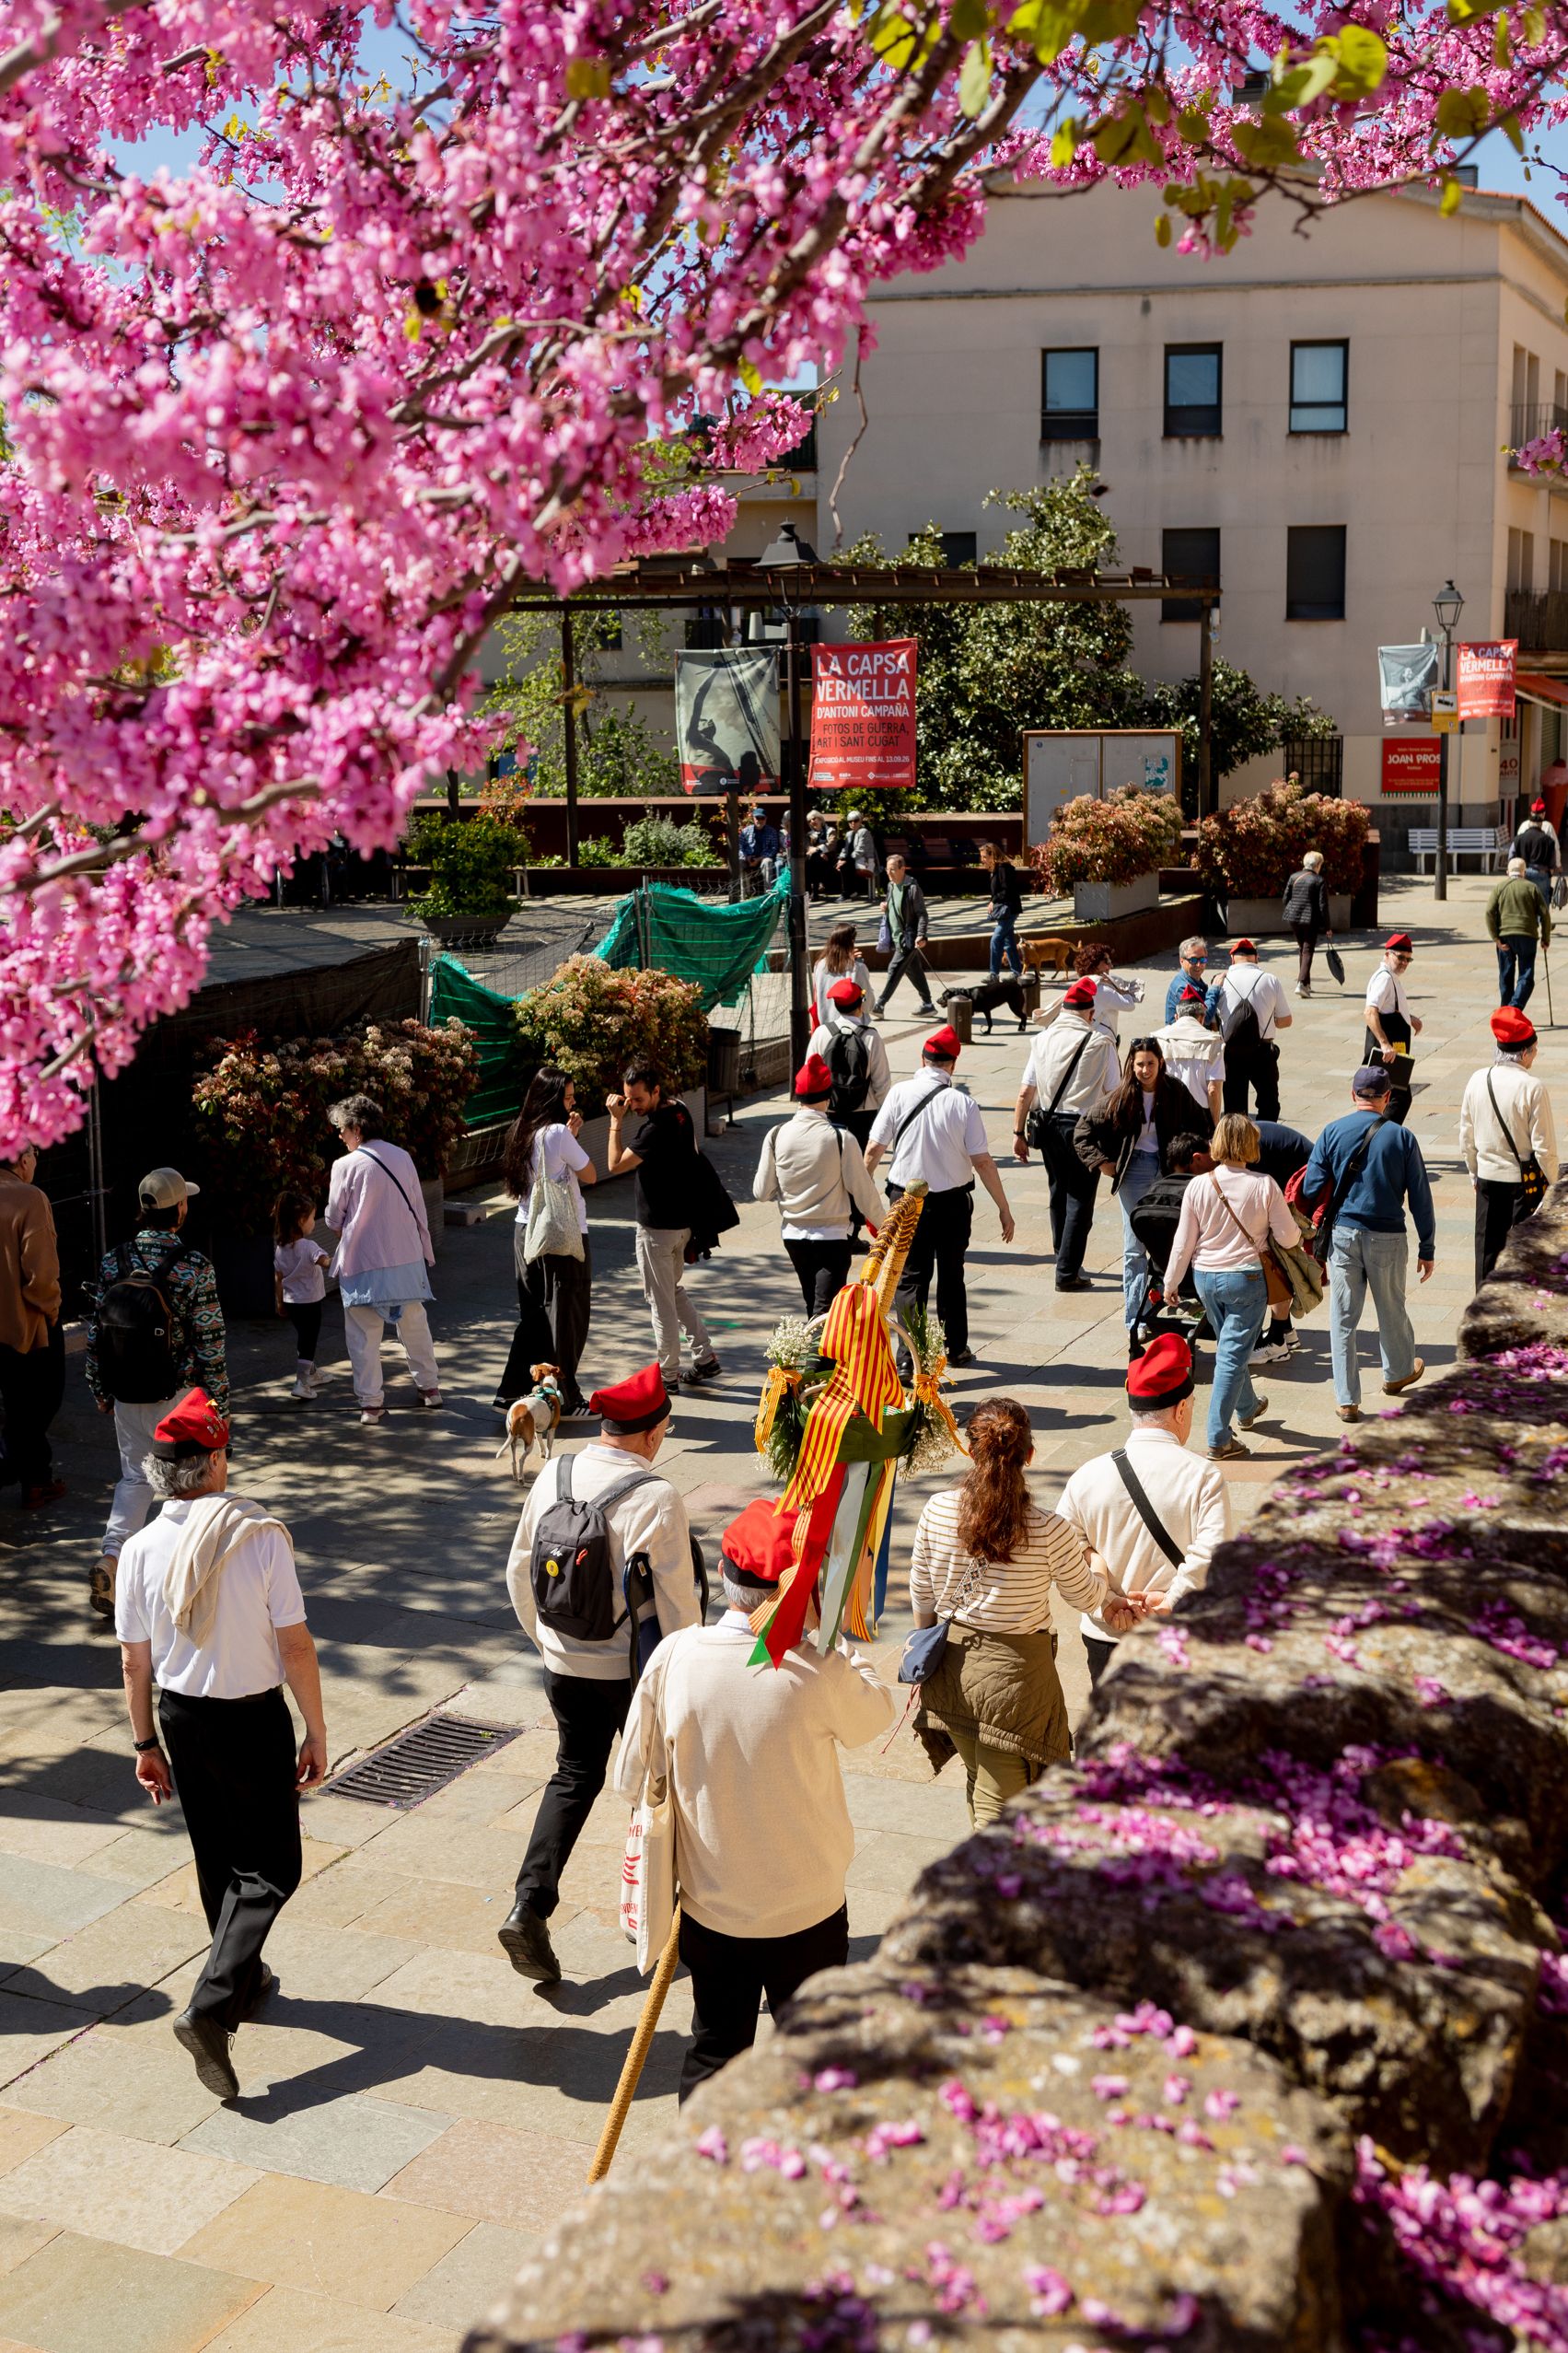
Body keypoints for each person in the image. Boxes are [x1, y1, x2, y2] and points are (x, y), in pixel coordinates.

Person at [615, 1497, 895, 2100]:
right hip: (808, 1905)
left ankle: (705, 2172)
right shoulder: (816, 1665)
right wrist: (837, 1643)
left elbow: (630, 1772)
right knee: (810, 2057)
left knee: (715, 2049)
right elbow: (875, 1716)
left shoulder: (675, 1656)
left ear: (722, 1575)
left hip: (713, 1904)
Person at [114, 1388, 327, 2099]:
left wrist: (145, 1739)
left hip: (180, 1715)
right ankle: (209, 2008)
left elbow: (131, 1660)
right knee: (273, 1867)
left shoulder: (139, 1547)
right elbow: (295, 1645)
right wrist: (315, 1726)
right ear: (212, 1463)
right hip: (249, 1716)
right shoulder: (257, 1534)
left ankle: (241, 1977)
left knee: (217, 1854)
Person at [501, 1364, 702, 1985]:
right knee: (665, 1790)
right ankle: (673, 1922)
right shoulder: (655, 1497)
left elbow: (518, 1571)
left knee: (573, 1774)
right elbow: (676, 1605)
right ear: (647, 1434)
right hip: (631, 1674)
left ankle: (528, 1905)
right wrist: (684, 1677)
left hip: (564, 1660)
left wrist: (549, 1643)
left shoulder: (555, 1473)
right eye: (664, 1429)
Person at [909, 1398, 1107, 1826]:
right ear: (1029, 1455)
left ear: (970, 1449)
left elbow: (922, 1595)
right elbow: (1087, 1598)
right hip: (1016, 1684)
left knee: (982, 1781)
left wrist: (927, 1652)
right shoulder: (1048, 1528)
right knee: (1000, 1811)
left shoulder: (936, 1509)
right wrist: (1101, 1567)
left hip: (950, 1674)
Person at [86, 1168, 228, 1624]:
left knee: (134, 1478)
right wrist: (219, 1405)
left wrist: (100, 1387)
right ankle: (179, 1579)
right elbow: (210, 1341)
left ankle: (113, 1558)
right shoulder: (194, 1266)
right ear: (179, 1209)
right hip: (180, 1396)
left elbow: (97, 1333)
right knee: (186, 1485)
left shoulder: (114, 1261)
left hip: (128, 1391)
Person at [1053, 1335, 1231, 1687]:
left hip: (1106, 1638)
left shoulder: (1086, 1475)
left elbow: (1062, 1553)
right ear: (1181, 1409)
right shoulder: (1204, 1476)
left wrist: (1106, 1601)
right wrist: (1170, 1602)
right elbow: (1213, 1555)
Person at [865, 1024, 1015, 1370]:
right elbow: (983, 1161)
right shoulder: (963, 1103)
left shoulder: (899, 1093)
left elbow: (874, 1149)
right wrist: (1003, 1208)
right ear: (952, 1064)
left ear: (923, 1058)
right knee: (951, 1274)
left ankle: (907, 1359)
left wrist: (861, 1198)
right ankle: (955, 1347)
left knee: (910, 1278)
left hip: (904, 1201)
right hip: (951, 1203)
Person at [1304, 1065, 1435, 1423]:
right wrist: (1428, 1247)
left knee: (1343, 1318)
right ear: (1387, 1098)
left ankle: (1347, 1400)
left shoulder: (1332, 1132)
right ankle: (1396, 1374)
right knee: (1392, 1308)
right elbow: (1420, 1196)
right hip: (1389, 1236)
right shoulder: (1402, 1137)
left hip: (1344, 1234)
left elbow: (1311, 1188)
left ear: (1353, 1095)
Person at [1163, 1112, 1299, 1460]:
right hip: (1246, 1279)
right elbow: (1287, 1237)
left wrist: (1171, 1281)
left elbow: (1184, 1242)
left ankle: (1248, 1406)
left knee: (1230, 1347)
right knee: (1230, 1355)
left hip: (1205, 1278)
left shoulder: (1198, 1185)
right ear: (1251, 1145)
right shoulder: (1264, 1185)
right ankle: (1218, 1437)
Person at [1073, 1036, 1211, 1347]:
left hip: (1167, 1170)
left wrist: (1195, 1161)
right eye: (1139, 1064)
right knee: (1135, 1245)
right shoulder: (1121, 1096)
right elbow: (1083, 1130)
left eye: (1150, 1063)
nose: (1145, 1070)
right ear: (1130, 1066)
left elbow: (1203, 1125)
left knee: (1176, 1236)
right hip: (1133, 1171)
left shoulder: (1175, 1091)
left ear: (1160, 1062)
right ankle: (1134, 1317)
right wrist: (1102, 1163)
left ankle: (1175, 1302)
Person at [606, 1064, 721, 1392]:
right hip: (681, 1226)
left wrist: (615, 1122)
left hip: (657, 1231)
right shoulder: (681, 1110)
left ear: (656, 1091)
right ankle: (704, 1356)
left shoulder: (654, 1130)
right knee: (670, 1293)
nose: (633, 1106)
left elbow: (614, 1164)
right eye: (629, 1100)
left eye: (638, 1099)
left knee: (661, 1304)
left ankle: (668, 1375)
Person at [324, 1095, 438, 1426]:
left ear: (357, 1129)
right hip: (406, 1257)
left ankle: (371, 1404)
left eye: (343, 1129)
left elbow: (333, 1218)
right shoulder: (402, 1156)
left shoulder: (344, 1166)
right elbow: (418, 1206)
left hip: (363, 1260)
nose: (340, 1135)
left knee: (363, 1335)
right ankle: (430, 1388)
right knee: (415, 1324)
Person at [494, 1066, 597, 1418]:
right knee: (567, 1315)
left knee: (534, 1316)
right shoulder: (557, 1133)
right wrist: (571, 1139)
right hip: (561, 1234)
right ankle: (566, 1398)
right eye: (567, 1097)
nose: (572, 1104)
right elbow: (591, 1173)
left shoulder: (520, 1130)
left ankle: (512, 1392)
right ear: (552, 1098)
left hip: (525, 1231)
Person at [1011, 976, 1121, 1292]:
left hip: (1046, 1125)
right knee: (1080, 1199)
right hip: (1084, 1127)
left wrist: (1018, 1132)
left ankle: (1063, 1254)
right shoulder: (1101, 1042)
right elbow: (1115, 1093)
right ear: (1090, 1013)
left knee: (1058, 1192)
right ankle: (1067, 1272)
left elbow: (1024, 1093)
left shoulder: (1042, 1039)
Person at [754, 1054, 885, 1316]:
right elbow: (863, 1192)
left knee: (814, 1306)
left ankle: (815, 1355)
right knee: (826, 1314)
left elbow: (761, 1191)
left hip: (793, 1236)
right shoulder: (840, 1138)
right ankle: (817, 1358)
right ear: (829, 1095)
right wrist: (885, 1227)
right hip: (832, 1237)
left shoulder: (776, 1134)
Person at [1459, 1006, 1560, 1285]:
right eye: (1535, 1049)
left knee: (1487, 1254)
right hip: (1523, 1187)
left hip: (1488, 1179)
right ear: (1524, 1052)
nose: (1536, 1055)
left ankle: (1482, 1312)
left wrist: (1473, 1173)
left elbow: (1466, 1137)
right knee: (1523, 1254)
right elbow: (1544, 1148)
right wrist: (1554, 1185)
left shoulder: (1477, 1079)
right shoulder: (1532, 1087)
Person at [0, 1143, 64, 1511]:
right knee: (40, 1401)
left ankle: (36, 1479)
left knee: (18, 1404)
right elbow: (42, 1275)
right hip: (28, 1328)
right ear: (23, 1160)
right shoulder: (30, 1198)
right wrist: (52, 1309)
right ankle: (29, 1476)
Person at [1127, 1130, 1211, 1341]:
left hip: (1164, 1273)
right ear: (1196, 1159)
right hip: (1201, 1274)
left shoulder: (1155, 1190)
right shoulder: (1203, 1192)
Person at [1249, 1119, 1314, 1366]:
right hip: (1297, 1175)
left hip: (1303, 1180)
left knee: (1274, 1258)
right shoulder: (1246, 1142)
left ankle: (1278, 1340)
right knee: (1275, 1256)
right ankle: (1285, 1330)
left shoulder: (1248, 1150)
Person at [1208, 939, 1291, 1120]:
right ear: (1256, 958)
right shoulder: (1270, 980)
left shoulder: (1220, 981)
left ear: (1232, 959)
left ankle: (1237, 1145)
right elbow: (1286, 1020)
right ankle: (1266, 1143)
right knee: (1269, 1103)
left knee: (1234, 1109)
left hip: (1231, 1052)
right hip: (1263, 1052)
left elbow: (1212, 1022)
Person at [807, 974, 891, 1147]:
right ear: (860, 1006)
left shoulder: (821, 1033)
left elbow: (810, 1074)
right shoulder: (871, 1036)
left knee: (830, 1164)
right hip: (864, 1112)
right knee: (858, 1166)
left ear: (836, 1006)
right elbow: (882, 1083)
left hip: (830, 1109)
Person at [273, 1191, 330, 1404]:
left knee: (303, 1337)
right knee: (309, 1340)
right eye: (312, 1218)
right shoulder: (309, 1247)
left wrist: (279, 1302)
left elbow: (278, 1277)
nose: (314, 1223)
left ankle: (311, 1371)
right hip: (311, 1302)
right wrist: (345, 1253)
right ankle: (301, 1382)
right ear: (300, 1221)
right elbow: (326, 1263)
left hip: (291, 1302)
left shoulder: (280, 1248)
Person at [1364, 933, 1422, 1126]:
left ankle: (1378, 1139)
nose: (1405, 962)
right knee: (1399, 1099)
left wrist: (1409, 1018)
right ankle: (1378, 1139)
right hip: (1387, 1056)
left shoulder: (1390, 977)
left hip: (1393, 1055)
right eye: (1400, 957)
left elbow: (1389, 1008)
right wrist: (1384, 1044)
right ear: (1387, 954)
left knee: (1391, 1099)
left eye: (1408, 959)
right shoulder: (1384, 979)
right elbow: (1370, 1012)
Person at [874, 853, 936, 1019]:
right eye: (887, 870)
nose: (889, 873)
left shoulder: (913, 888)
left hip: (908, 938)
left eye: (893, 870)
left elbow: (922, 914)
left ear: (903, 869)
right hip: (895, 936)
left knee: (894, 968)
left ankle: (879, 1004)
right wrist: (886, 906)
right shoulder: (891, 885)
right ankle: (928, 1004)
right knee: (913, 970)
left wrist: (921, 935)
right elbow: (893, 902)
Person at [1486, 856, 1552, 1011]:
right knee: (1526, 976)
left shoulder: (1500, 888)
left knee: (1506, 976)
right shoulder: (1532, 888)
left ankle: (1506, 1009)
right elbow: (1545, 915)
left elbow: (1489, 912)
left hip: (1505, 936)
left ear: (1508, 872)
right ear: (1524, 873)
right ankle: (1514, 1008)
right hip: (1527, 935)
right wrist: (1545, 939)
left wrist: (1495, 938)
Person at [1155, 984, 1225, 1121]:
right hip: (1198, 1115)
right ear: (1202, 1018)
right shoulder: (1213, 1042)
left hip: (1167, 1111)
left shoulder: (1158, 1038)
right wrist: (1215, 1125)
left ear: (1176, 1016)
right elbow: (1213, 1090)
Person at [1281, 850, 1332, 996]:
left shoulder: (1294, 877)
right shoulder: (1319, 880)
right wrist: (1327, 927)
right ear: (1317, 865)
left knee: (1302, 949)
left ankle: (1306, 983)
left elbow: (1285, 899)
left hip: (1293, 918)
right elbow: (1323, 906)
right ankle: (1301, 984)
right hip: (1310, 919)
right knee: (1308, 949)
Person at [978, 839, 1026, 983]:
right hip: (1005, 911)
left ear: (993, 855)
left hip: (1009, 910)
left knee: (995, 939)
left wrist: (993, 901)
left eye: (985, 857)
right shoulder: (996, 870)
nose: (983, 860)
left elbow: (1007, 890)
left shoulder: (1003, 869)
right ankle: (1017, 972)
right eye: (982, 857)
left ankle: (994, 974)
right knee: (1008, 942)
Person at [811, 922, 873, 1030]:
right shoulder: (858, 968)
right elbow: (867, 1004)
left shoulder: (819, 966)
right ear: (852, 943)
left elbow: (816, 997)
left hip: (827, 1028)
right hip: (854, 1030)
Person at [1076, 941, 1144, 1038]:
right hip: (1101, 1043)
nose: (1110, 966)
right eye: (1107, 961)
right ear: (1094, 964)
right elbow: (1129, 1005)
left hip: (1090, 1038)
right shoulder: (1101, 989)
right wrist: (1118, 989)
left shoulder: (1083, 983)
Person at [1512, 798, 1560, 905]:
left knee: (1526, 901)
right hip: (1542, 873)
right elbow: (1554, 850)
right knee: (1542, 902)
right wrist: (1554, 867)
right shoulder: (1548, 830)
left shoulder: (1521, 831)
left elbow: (1513, 852)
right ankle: (1541, 922)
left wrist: (1513, 869)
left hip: (1524, 872)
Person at [1164, 938, 1209, 1025]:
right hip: (1181, 1036)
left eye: (1202, 960)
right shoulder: (1182, 987)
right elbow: (1204, 1019)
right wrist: (1215, 989)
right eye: (1193, 960)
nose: (1198, 965)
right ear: (1181, 961)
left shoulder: (1196, 981)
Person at [738, 803, 780, 895]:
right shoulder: (745, 831)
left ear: (766, 819)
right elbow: (740, 847)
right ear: (753, 818)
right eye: (757, 818)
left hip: (763, 857)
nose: (760, 820)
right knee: (740, 862)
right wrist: (746, 857)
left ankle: (767, 893)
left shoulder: (772, 831)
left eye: (762, 818)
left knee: (768, 862)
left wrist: (759, 859)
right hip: (748, 857)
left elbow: (774, 848)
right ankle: (744, 894)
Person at [837, 809, 877, 901]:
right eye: (850, 821)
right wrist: (841, 859)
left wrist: (845, 860)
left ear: (860, 821)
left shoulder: (864, 832)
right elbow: (845, 849)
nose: (853, 823)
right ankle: (850, 892)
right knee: (841, 865)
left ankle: (847, 894)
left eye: (856, 820)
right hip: (855, 861)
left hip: (867, 861)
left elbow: (860, 851)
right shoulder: (849, 834)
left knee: (845, 865)